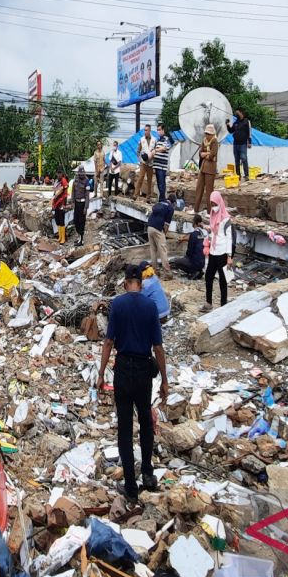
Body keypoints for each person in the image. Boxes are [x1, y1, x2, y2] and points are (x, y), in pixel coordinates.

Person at [97, 264, 169, 501]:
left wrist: (100, 373)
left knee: (125, 428)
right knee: (146, 421)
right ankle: (147, 474)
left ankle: (130, 486)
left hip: (123, 370)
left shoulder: (117, 304)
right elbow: (158, 347)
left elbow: (108, 342)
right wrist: (165, 381)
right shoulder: (151, 307)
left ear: (127, 282)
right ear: (140, 282)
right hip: (143, 371)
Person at [203, 191, 234, 309]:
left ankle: (223, 304)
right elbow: (212, 231)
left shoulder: (226, 219)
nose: (213, 206)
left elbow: (229, 237)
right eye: (211, 204)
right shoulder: (212, 215)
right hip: (213, 250)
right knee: (208, 276)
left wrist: (229, 256)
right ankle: (208, 302)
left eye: (215, 203)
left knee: (223, 279)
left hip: (222, 252)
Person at [147, 193, 174, 279]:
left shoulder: (160, 203)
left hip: (149, 226)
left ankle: (155, 272)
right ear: (173, 202)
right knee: (163, 250)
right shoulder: (170, 207)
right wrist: (164, 235)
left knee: (153, 250)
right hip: (158, 228)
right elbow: (166, 225)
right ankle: (167, 273)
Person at [171, 214, 207, 278]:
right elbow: (195, 239)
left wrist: (186, 257)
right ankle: (199, 271)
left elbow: (190, 251)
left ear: (195, 222)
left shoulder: (193, 234)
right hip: (202, 263)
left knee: (176, 262)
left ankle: (194, 272)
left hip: (195, 262)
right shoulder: (202, 233)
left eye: (193, 221)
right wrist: (184, 239)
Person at [194, 124, 219, 212]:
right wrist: (205, 154)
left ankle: (209, 211)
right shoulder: (204, 140)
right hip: (203, 166)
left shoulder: (215, 141)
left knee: (209, 191)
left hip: (210, 168)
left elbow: (212, 155)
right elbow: (200, 153)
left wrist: (205, 154)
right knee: (199, 188)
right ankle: (196, 209)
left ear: (212, 134)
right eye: (206, 133)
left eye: (208, 134)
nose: (207, 135)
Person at [228, 109, 251, 181]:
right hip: (235, 144)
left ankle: (246, 175)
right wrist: (228, 125)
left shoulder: (246, 121)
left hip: (243, 143)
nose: (236, 114)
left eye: (237, 113)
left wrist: (249, 142)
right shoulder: (236, 123)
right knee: (237, 160)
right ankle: (238, 176)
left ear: (241, 113)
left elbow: (249, 132)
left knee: (244, 158)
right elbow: (231, 131)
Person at [134, 124, 155, 202]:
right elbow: (138, 151)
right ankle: (135, 195)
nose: (145, 131)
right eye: (144, 130)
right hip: (143, 163)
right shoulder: (141, 139)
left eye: (146, 130)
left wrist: (153, 157)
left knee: (150, 180)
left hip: (151, 163)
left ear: (149, 130)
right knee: (140, 178)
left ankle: (148, 197)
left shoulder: (154, 140)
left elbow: (156, 151)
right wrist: (140, 160)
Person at [71, 165, 90, 245]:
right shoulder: (75, 180)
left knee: (82, 222)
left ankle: (81, 240)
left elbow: (87, 195)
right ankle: (79, 236)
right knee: (76, 221)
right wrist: (72, 202)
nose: (81, 175)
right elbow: (73, 192)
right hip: (76, 203)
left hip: (82, 204)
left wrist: (86, 207)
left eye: (82, 174)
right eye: (80, 174)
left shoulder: (86, 181)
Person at [153, 124, 171, 201]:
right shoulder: (158, 140)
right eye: (157, 130)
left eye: (159, 129)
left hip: (162, 166)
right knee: (159, 183)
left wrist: (156, 150)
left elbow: (164, 148)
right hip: (157, 165)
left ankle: (162, 199)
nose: (158, 131)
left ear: (163, 130)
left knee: (161, 184)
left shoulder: (166, 139)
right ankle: (161, 198)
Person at [52, 174, 68, 244]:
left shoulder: (63, 182)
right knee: (57, 220)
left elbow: (63, 191)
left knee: (61, 221)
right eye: (57, 174)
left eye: (59, 175)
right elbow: (54, 192)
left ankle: (63, 238)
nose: (58, 176)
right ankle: (60, 237)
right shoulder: (57, 182)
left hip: (61, 204)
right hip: (56, 204)